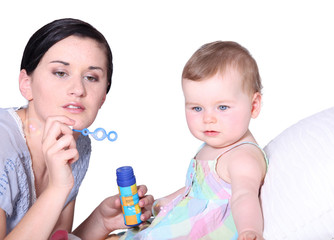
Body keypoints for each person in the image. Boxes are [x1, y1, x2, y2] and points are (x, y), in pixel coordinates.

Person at [0, 18, 153, 240]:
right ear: (26, 83)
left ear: (103, 97)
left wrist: (101, 221)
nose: (78, 89)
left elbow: (57, 238)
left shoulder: (77, 142)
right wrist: (57, 187)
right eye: (61, 73)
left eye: (91, 77)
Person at [119, 41, 268, 240]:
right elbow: (196, 190)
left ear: (254, 105)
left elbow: (244, 196)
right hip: (180, 224)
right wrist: (165, 202)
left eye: (222, 107)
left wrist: (250, 231)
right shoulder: (212, 146)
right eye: (197, 108)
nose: (208, 118)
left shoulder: (242, 157)